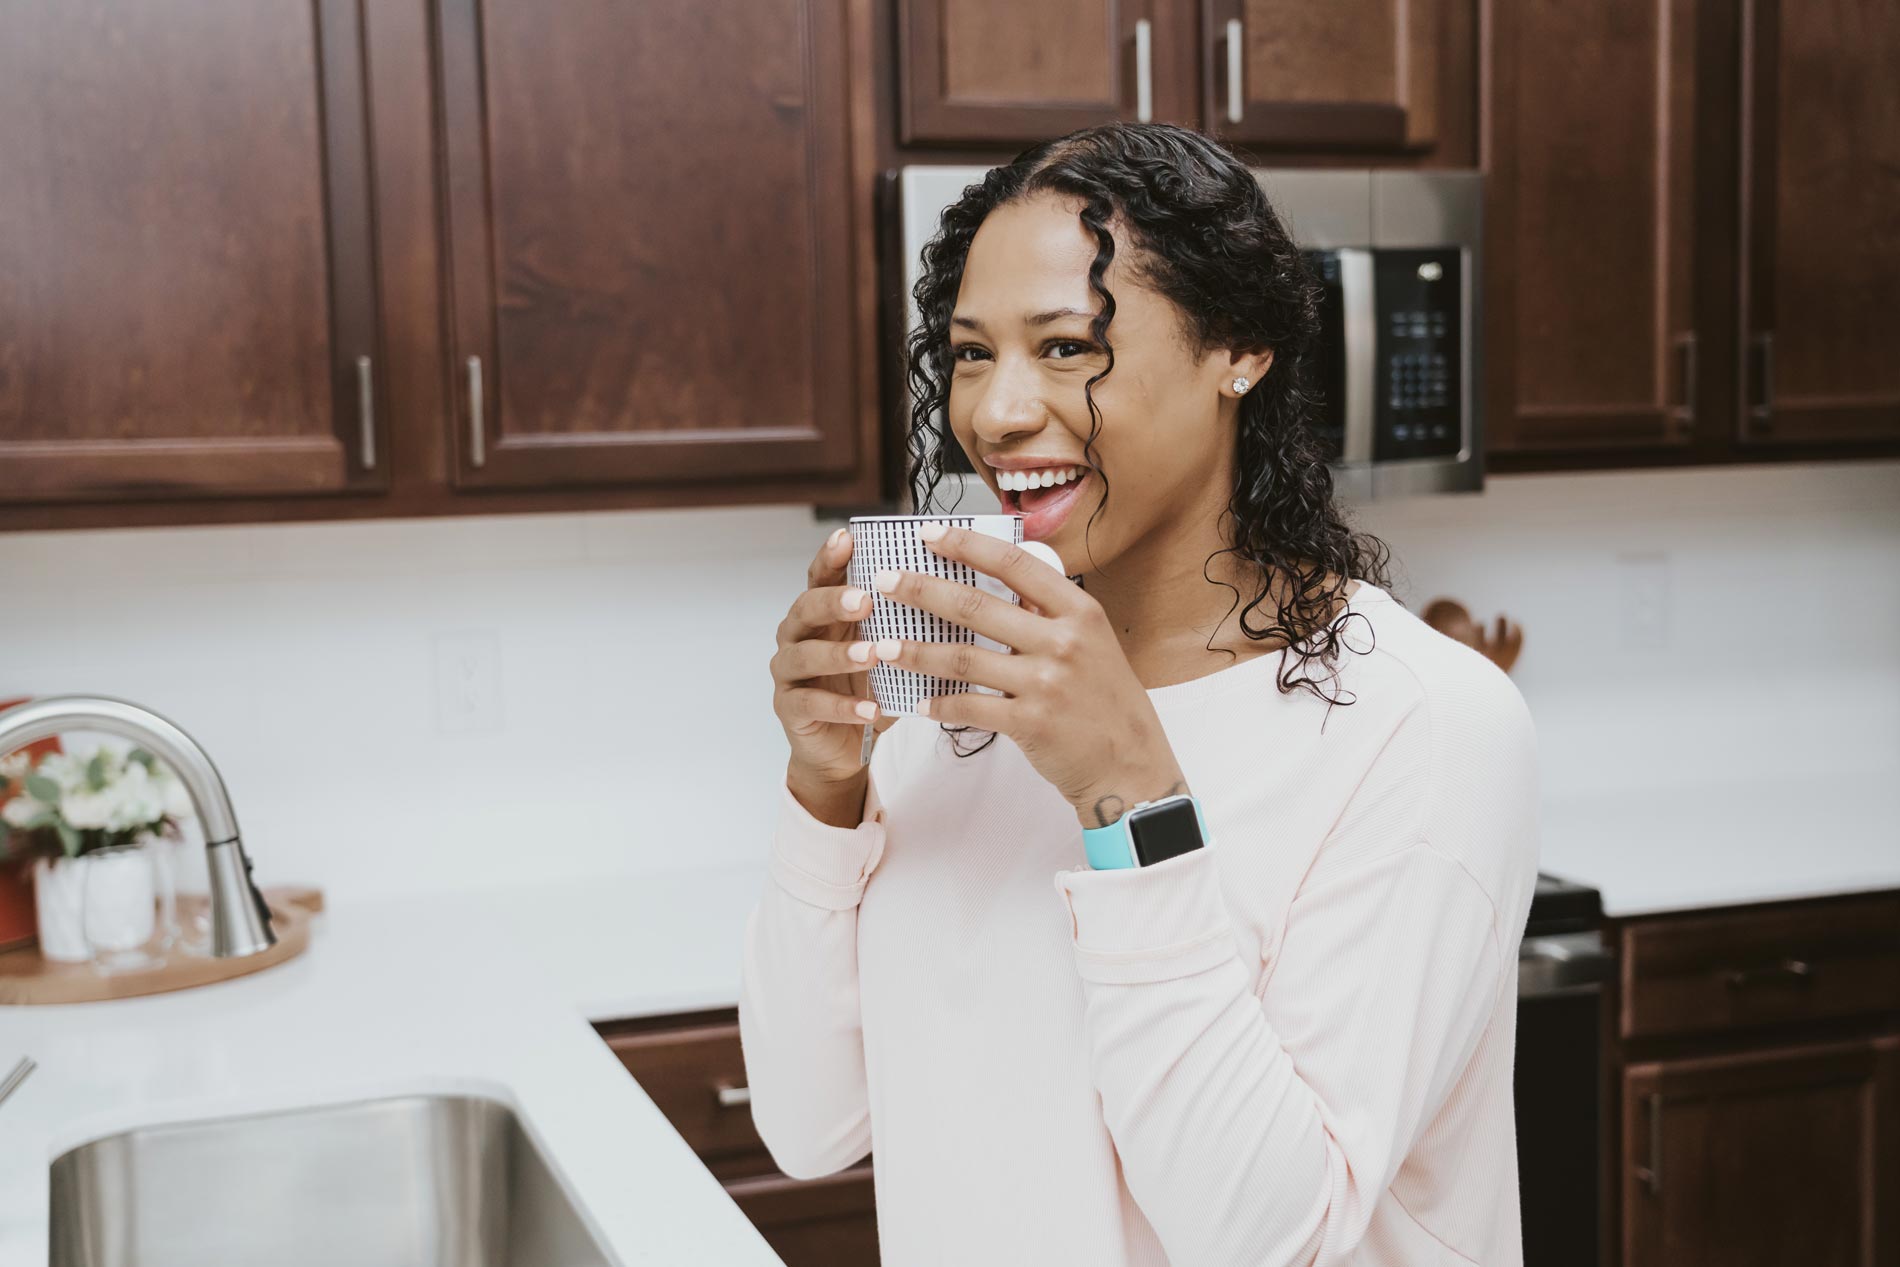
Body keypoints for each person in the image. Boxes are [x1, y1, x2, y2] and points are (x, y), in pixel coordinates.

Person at [743, 121, 1539, 1266]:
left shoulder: (1425, 724)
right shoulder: (963, 678)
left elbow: (1274, 1237)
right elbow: (809, 1128)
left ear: (1241, 350)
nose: (999, 414)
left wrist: (1127, 795)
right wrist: (824, 792)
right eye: (971, 353)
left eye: (1067, 346)